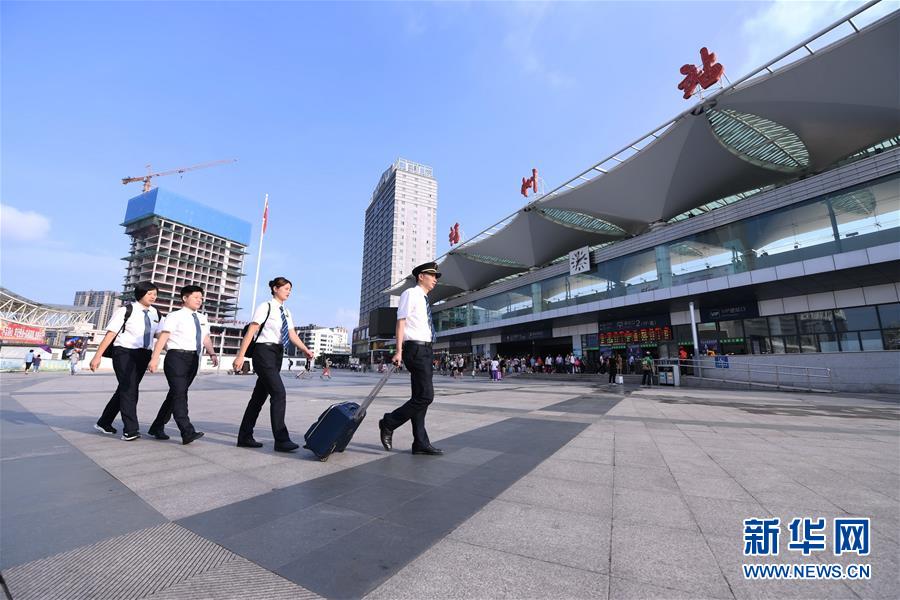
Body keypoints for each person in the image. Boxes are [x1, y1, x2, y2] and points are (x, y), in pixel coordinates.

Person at [233, 277, 313, 451]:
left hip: (277, 353)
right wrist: (240, 356)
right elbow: (251, 332)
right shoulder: (265, 307)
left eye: (290, 289)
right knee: (279, 392)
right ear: (275, 289)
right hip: (263, 352)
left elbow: (291, 335)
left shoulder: (286, 312)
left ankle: (244, 436)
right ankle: (281, 440)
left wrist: (305, 349)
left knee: (258, 398)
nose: (288, 291)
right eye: (285, 288)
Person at [380, 261, 443, 456]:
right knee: (426, 396)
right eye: (432, 276)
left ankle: (420, 443)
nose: (435, 280)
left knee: (419, 397)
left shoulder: (424, 298)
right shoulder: (410, 294)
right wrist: (398, 351)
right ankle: (389, 422)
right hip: (415, 349)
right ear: (421, 276)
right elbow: (401, 322)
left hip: (425, 349)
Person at [147, 285, 218, 445]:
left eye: (201, 297)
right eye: (196, 297)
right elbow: (164, 337)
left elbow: (205, 338)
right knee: (180, 394)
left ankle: (157, 427)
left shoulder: (202, 318)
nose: (199, 300)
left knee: (175, 394)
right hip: (176, 357)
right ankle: (187, 431)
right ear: (185, 298)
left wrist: (212, 353)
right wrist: (155, 358)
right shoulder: (174, 316)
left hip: (193, 359)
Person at [91, 282, 162, 441]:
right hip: (124, 352)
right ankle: (131, 429)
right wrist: (97, 356)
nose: (153, 297)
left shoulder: (156, 313)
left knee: (126, 388)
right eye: (150, 293)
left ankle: (104, 422)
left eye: (155, 294)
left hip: (144, 354)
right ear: (140, 294)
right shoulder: (126, 310)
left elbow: (160, 335)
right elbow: (110, 334)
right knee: (130, 389)